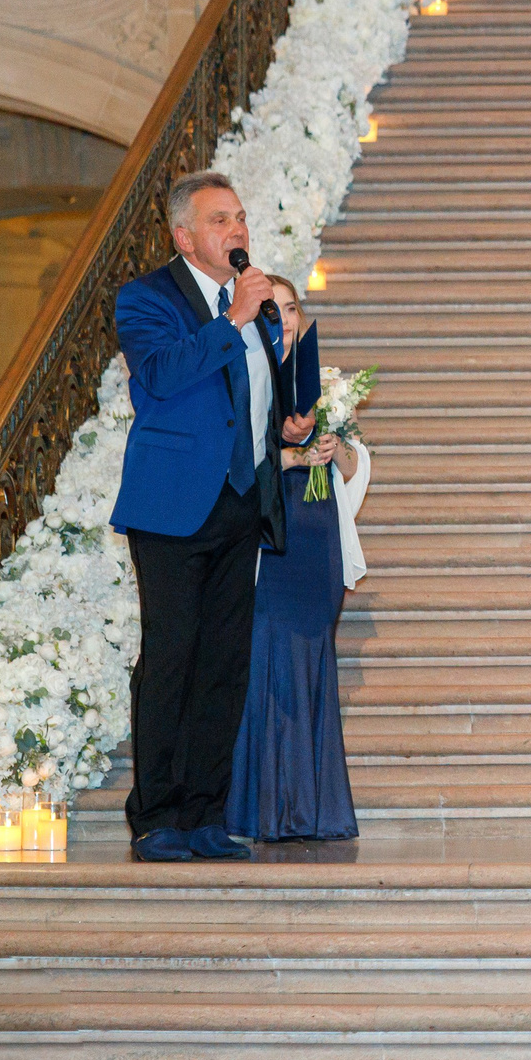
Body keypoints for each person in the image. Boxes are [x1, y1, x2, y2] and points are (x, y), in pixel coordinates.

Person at [110, 171, 305, 863]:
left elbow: (259, 397)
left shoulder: (258, 308)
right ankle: (156, 815)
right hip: (171, 507)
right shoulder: (147, 299)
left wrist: (293, 420)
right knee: (173, 657)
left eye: (242, 218)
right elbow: (161, 376)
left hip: (242, 501)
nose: (238, 231)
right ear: (184, 235)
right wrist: (233, 323)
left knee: (224, 661)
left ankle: (205, 813)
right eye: (221, 220)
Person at [226, 275, 367, 843]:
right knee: (265, 670)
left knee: (310, 670)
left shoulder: (323, 387)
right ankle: (263, 810)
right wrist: (285, 460)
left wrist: (338, 450)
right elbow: (230, 468)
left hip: (315, 551)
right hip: (264, 551)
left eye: (290, 308)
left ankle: (311, 810)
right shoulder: (243, 379)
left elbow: (359, 471)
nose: (282, 319)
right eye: (271, 309)